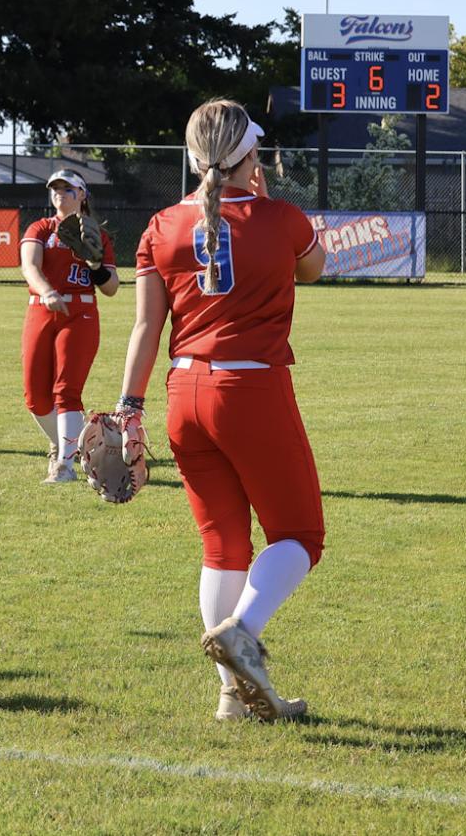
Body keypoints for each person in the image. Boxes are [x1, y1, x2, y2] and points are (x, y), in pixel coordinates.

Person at [117, 98, 327, 723]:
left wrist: (130, 404)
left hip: (184, 393)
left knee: (222, 548)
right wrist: (263, 201)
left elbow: (147, 326)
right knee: (300, 536)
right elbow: (315, 268)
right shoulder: (280, 217)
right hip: (251, 391)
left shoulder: (160, 225)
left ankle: (231, 696)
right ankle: (243, 634)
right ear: (249, 156)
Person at [19, 169, 119, 482]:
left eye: (67, 189)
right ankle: (71, 444)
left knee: (66, 390)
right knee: (35, 397)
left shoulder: (97, 234)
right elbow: (29, 266)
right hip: (42, 309)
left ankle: (64, 464)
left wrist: (94, 263)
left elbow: (112, 286)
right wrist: (46, 290)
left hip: (81, 313)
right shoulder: (41, 227)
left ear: (82, 195)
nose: (59, 194)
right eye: (55, 189)